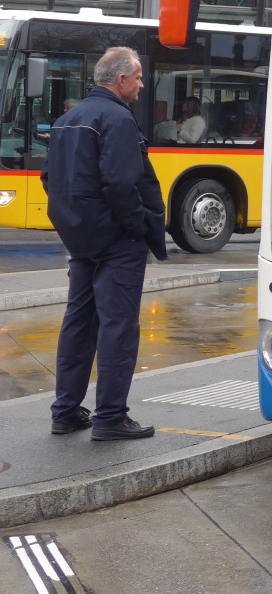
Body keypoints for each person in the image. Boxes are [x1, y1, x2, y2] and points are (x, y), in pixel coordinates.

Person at [41, 46, 167, 441]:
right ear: (121, 79)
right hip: (116, 240)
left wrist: (75, 223)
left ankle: (65, 411)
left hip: (80, 238)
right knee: (118, 327)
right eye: (139, 77)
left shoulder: (67, 119)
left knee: (78, 323)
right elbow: (120, 183)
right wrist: (136, 227)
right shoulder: (117, 118)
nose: (143, 85)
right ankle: (111, 416)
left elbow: (50, 179)